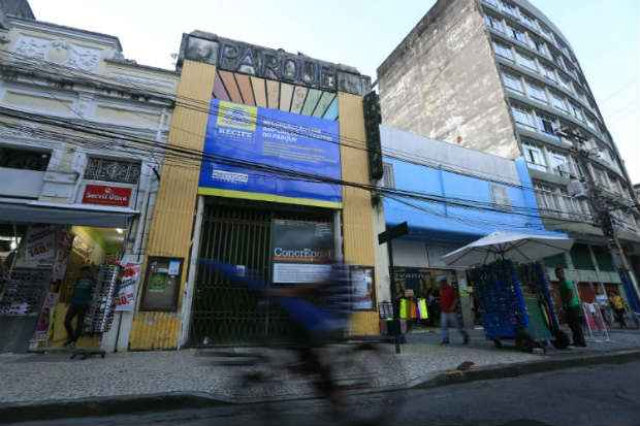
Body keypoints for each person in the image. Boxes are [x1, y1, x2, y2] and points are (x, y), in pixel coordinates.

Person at [64, 266, 95, 346]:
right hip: (74, 303)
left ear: (88, 272)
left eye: (85, 272)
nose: (83, 273)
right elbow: (73, 291)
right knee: (66, 321)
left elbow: (94, 294)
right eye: (82, 272)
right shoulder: (78, 280)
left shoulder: (92, 282)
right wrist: (68, 300)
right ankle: (72, 337)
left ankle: (74, 340)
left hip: (83, 304)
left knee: (79, 323)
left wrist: (90, 304)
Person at [556, 266, 586, 347]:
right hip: (568, 306)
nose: (559, 275)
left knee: (575, 324)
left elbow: (570, 293)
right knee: (571, 324)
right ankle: (577, 341)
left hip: (573, 306)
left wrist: (565, 304)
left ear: (563, 273)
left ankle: (581, 342)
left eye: (561, 273)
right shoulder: (561, 284)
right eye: (558, 273)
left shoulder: (566, 282)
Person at [439, 276, 469, 345]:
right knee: (443, 326)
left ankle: (465, 336)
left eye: (441, 282)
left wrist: (453, 307)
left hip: (451, 311)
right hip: (444, 311)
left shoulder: (450, 289)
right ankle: (445, 339)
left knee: (457, 325)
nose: (440, 284)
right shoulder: (441, 290)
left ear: (444, 282)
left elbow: (455, 299)